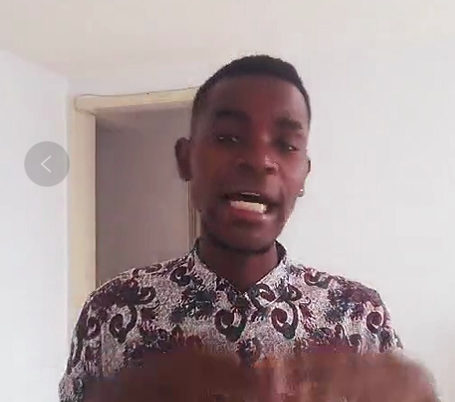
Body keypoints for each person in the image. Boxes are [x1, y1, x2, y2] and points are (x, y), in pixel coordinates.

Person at [60, 55, 401, 402]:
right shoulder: (113, 311)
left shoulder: (358, 316)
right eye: (228, 137)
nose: (259, 160)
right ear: (185, 159)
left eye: (286, 145)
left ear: (304, 175)